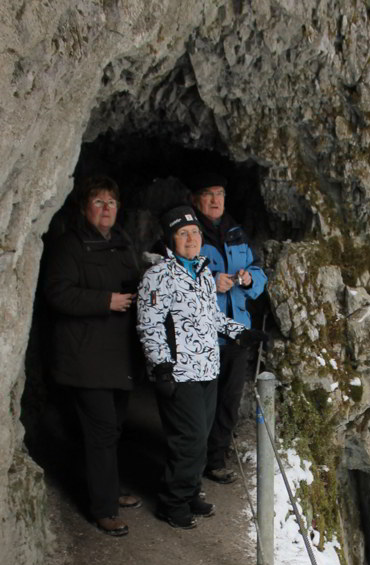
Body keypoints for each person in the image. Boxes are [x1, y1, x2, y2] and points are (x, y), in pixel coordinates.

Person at [136, 205, 266, 529]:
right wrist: (162, 366)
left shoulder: (203, 272)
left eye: (194, 232)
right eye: (183, 234)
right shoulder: (158, 276)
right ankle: (173, 502)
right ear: (170, 239)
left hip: (207, 366)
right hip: (178, 371)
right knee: (190, 438)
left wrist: (240, 332)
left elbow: (212, 317)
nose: (191, 238)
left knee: (202, 435)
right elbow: (149, 324)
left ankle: (191, 490)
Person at [43, 175, 142, 537]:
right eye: (98, 203)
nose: (106, 209)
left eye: (111, 203)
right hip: (85, 357)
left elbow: (133, 284)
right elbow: (57, 293)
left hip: (118, 357)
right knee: (100, 432)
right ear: (85, 208)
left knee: (113, 428)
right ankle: (103, 509)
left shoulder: (121, 244)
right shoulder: (69, 246)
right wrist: (105, 301)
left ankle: (110, 489)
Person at [188, 172, 268, 484]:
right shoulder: (188, 233)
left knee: (229, 402)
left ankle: (216, 459)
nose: (215, 200)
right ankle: (192, 463)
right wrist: (211, 282)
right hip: (203, 335)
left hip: (237, 334)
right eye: (208, 194)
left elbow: (259, 274)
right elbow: (173, 273)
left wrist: (249, 280)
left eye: (219, 193)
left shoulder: (236, 233)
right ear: (196, 200)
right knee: (201, 404)